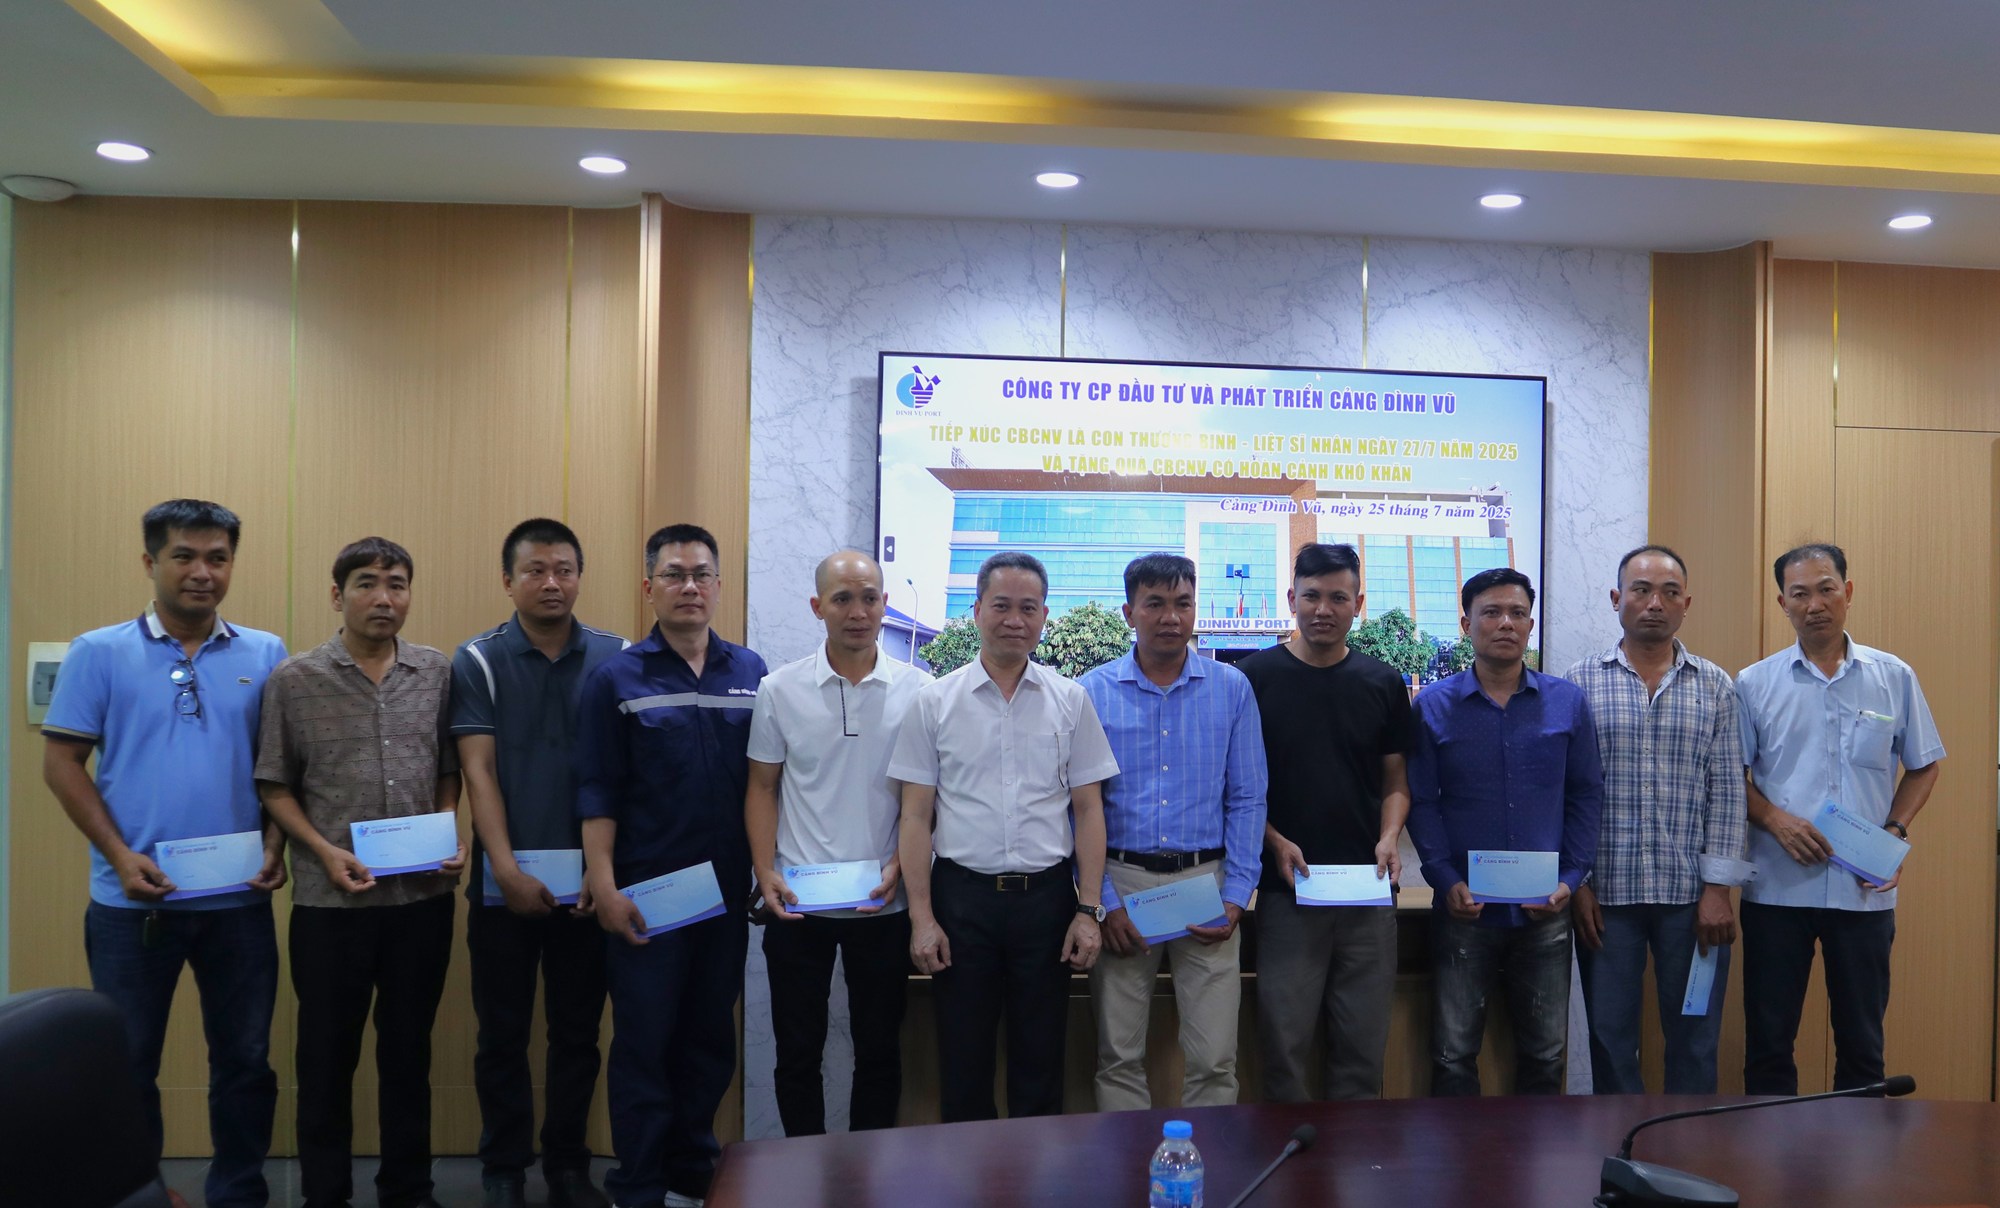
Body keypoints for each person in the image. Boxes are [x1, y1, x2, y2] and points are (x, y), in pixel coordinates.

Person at [42, 499, 288, 1208]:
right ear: (150, 562)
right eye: (184, 556)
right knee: (128, 1065)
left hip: (238, 901)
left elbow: (282, 768)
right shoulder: (98, 652)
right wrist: (120, 857)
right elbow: (62, 765)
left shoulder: (266, 653)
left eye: (218, 558)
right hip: (132, 905)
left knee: (245, 1063)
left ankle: (238, 1192)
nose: (202, 572)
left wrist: (275, 844)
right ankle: (140, 1193)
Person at [256, 537, 465, 1208]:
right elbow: (274, 784)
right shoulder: (294, 679)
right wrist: (323, 851)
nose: (384, 597)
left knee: (408, 1055)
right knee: (325, 1060)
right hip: (329, 905)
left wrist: (447, 826)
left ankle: (409, 1190)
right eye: (367, 583)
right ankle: (326, 1194)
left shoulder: (436, 672)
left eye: (397, 584)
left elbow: (448, 770)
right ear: (337, 594)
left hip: (421, 900)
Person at [576, 524, 766, 1208]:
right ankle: (638, 1182)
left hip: (725, 896)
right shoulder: (615, 678)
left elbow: (768, 786)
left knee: (709, 1038)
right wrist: (603, 884)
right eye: (675, 574)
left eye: (701, 574)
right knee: (644, 1042)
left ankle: (692, 1170)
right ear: (648, 586)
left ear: (718, 585)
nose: (690, 587)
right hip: (647, 896)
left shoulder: (751, 673)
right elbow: (597, 790)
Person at [889, 551, 1117, 1123]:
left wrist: (1088, 910)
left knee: (1041, 1064)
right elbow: (915, 817)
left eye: (1028, 608)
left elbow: (1089, 810)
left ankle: (1035, 1172)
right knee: (963, 1063)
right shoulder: (934, 702)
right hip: (961, 902)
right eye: (1001, 606)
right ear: (976, 612)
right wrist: (922, 918)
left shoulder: (1070, 699)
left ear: (1044, 617)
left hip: (1046, 903)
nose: (1015, 620)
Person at [452, 519, 626, 1208]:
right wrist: (504, 871)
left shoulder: (615, 657)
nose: (551, 583)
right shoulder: (479, 660)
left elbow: (619, 774)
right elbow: (478, 771)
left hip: (588, 887)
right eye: (535, 570)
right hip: (505, 886)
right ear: (508, 581)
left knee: (577, 1035)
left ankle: (567, 1167)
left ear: (580, 577)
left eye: (564, 570)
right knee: (501, 1035)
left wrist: (600, 872)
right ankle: (503, 1168)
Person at [1736, 543, 1945, 1094]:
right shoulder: (1753, 684)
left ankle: (1859, 1149)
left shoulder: (1893, 676)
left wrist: (1894, 832)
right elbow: (1731, 777)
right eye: (1799, 594)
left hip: (1862, 891)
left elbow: (1925, 766)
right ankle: (1768, 1144)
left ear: (1847, 592)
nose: (1815, 605)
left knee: (1862, 1046)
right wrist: (1774, 818)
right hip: (1777, 891)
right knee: (1768, 1045)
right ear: (1782, 603)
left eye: (1826, 589)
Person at [745, 550, 926, 1135]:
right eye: (843, 599)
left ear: (885, 604)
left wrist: (901, 864)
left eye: (869, 598)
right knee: (798, 1054)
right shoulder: (779, 689)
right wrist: (764, 870)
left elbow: (924, 802)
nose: (858, 611)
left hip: (883, 902)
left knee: (879, 1052)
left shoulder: (920, 691)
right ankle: (803, 1167)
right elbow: (762, 787)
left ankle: (869, 1172)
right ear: (817, 606)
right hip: (799, 903)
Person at [1078, 553, 1266, 1111]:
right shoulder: (1091, 692)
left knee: (1215, 1059)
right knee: (1117, 1056)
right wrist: (1103, 902)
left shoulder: (1232, 688)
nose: (1170, 617)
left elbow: (1248, 798)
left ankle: (1209, 1162)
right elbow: (1078, 808)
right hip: (1122, 884)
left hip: (1206, 886)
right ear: (1128, 612)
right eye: (1155, 603)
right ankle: (1127, 1165)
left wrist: (1237, 894)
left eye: (1182, 603)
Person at [1407, 567, 1603, 1096]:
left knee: (1546, 1055)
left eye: (1517, 613)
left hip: (1546, 909)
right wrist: (1444, 878)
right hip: (1463, 909)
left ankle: (1534, 1154)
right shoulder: (1433, 707)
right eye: (1491, 612)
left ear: (1531, 625)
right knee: (1452, 1056)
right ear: (1466, 623)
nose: (1506, 623)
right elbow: (1421, 801)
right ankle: (1461, 1153)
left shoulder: (1567, 702)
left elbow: (1586, 794)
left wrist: (1570, 878)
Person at [1565, 545, 1749, 1094]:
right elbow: (1565, 792)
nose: (1655, 603)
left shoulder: (1715, 686)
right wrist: (1577, 883)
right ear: (1616, 598)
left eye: (1670, 593)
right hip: (1606, 897)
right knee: (1610, 1039)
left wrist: (1718, 888)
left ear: (1686, 604)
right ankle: (1621, 1143)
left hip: (1692, 901)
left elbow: (1727, 793)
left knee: (1695, 1037)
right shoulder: (1578, 682)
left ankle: (1686, 1143)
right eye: (1641, 590)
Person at [1237, 541, 1413, 1101]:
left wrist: (1390, 837)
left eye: (1338, 598)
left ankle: (1355, 1154)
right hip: (1288, 893)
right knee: (1284, 1049)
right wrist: (1272, 841)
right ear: (1292, 599)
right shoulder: (1251, 679)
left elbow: (1396, 783)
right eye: (1311, 596)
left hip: (1367, 892)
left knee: (1363, 1051)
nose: (1323, 609)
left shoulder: (1383, 682)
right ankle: (1289, 1154)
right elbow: (1237, 789)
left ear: (1357, 604)